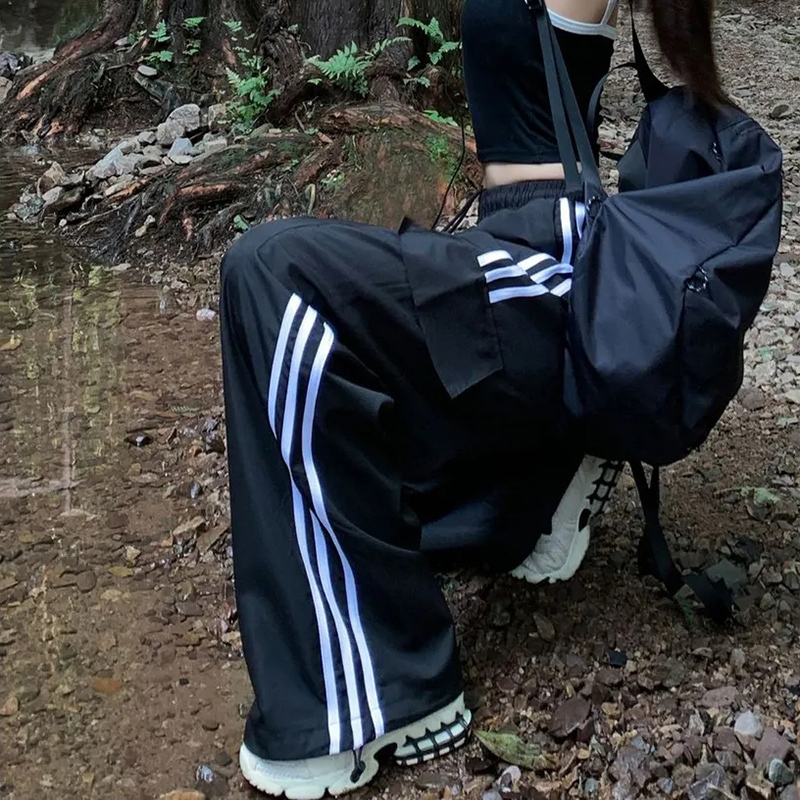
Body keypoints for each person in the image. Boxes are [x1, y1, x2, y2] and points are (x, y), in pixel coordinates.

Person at [219, 0, 728, 796]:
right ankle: (533, 488)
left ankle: (379, 697)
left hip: (551, 269)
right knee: (328, 303)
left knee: (272, 271)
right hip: (506, 250)